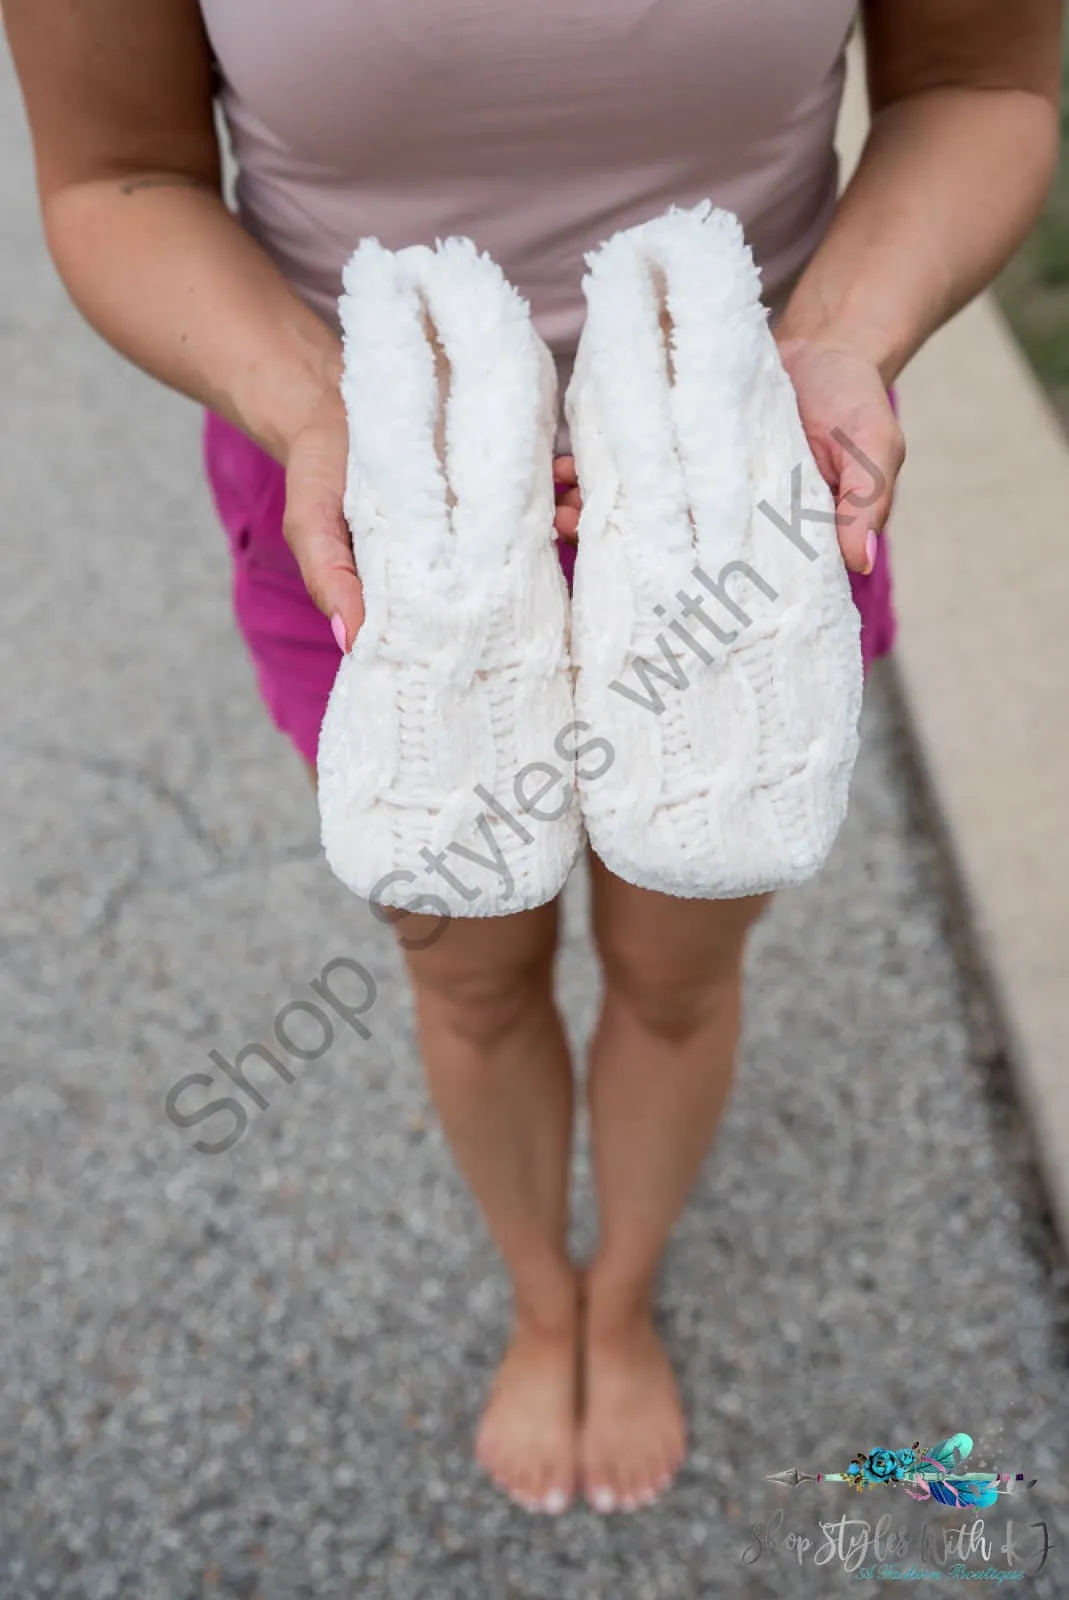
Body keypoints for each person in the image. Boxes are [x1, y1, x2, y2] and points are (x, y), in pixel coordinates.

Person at [6, 0, 1061, 1518]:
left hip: (731, 492)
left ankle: (618, 1292)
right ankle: (540, 1293)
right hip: (384, 510)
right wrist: (313, 399)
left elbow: (978, 83)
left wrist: (834, 338)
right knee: (473, 977)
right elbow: (113, 174)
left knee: (680, 966)